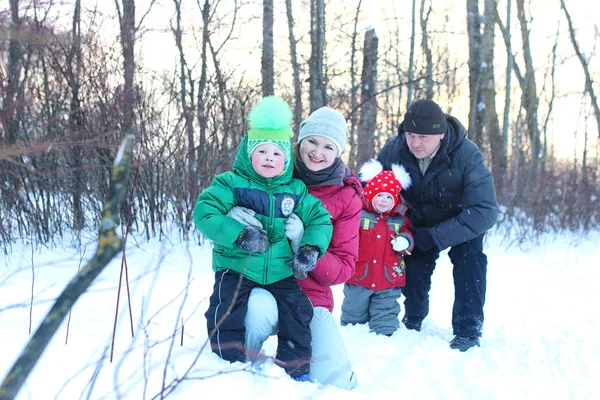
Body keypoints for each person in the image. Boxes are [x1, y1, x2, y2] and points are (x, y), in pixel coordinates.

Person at [193, 96, 333, 381]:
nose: (269, 158)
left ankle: (294, 368)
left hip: (281, 271)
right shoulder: (231, 183)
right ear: (248, 154)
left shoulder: (296, 190)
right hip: (238, 266)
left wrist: (310, 247)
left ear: (286, 160)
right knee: (227, 306)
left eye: (277, 153)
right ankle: (227, 361)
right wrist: (239, 234)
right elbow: (204, 213)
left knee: (298, 310)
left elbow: (320, 219)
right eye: (261, 151)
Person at [228, 106, 363, 389]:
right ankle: (233, 367)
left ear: (338, 153)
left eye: (328, 146)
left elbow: (343, 269)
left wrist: (307, 246)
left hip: (310, 296)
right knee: (255, 310)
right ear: (300, 140)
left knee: (337, 382)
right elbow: (226, 194)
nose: (317, 152)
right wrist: (230, 221)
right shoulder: (270, 164)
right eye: (312, 141)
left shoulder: (347, 197)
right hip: (262, 284)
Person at [377, 98, 498, 352]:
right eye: (410, 135)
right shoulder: (394, 151)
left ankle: (468, 330)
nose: (415, 143)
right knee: (413, 273)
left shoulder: (467, 155)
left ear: (441, 134)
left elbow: (484, 211)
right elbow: (373, 187)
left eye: (423, 137)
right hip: (417, 223)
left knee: (470, 262)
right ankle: (413, 317)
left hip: (459, 222)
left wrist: (434, 236)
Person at [340, 159, 414, 336]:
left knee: (386, 310)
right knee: (353, 311)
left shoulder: (399, 218)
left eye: (389, 196)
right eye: (380, 195)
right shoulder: (358, 214)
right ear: (370, 194)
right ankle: (353, 332)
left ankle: (385, 333)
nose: (384, 200)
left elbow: (409, 234)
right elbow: (347, 234)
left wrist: (405, 240)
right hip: (359, 275)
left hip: (389, 277)